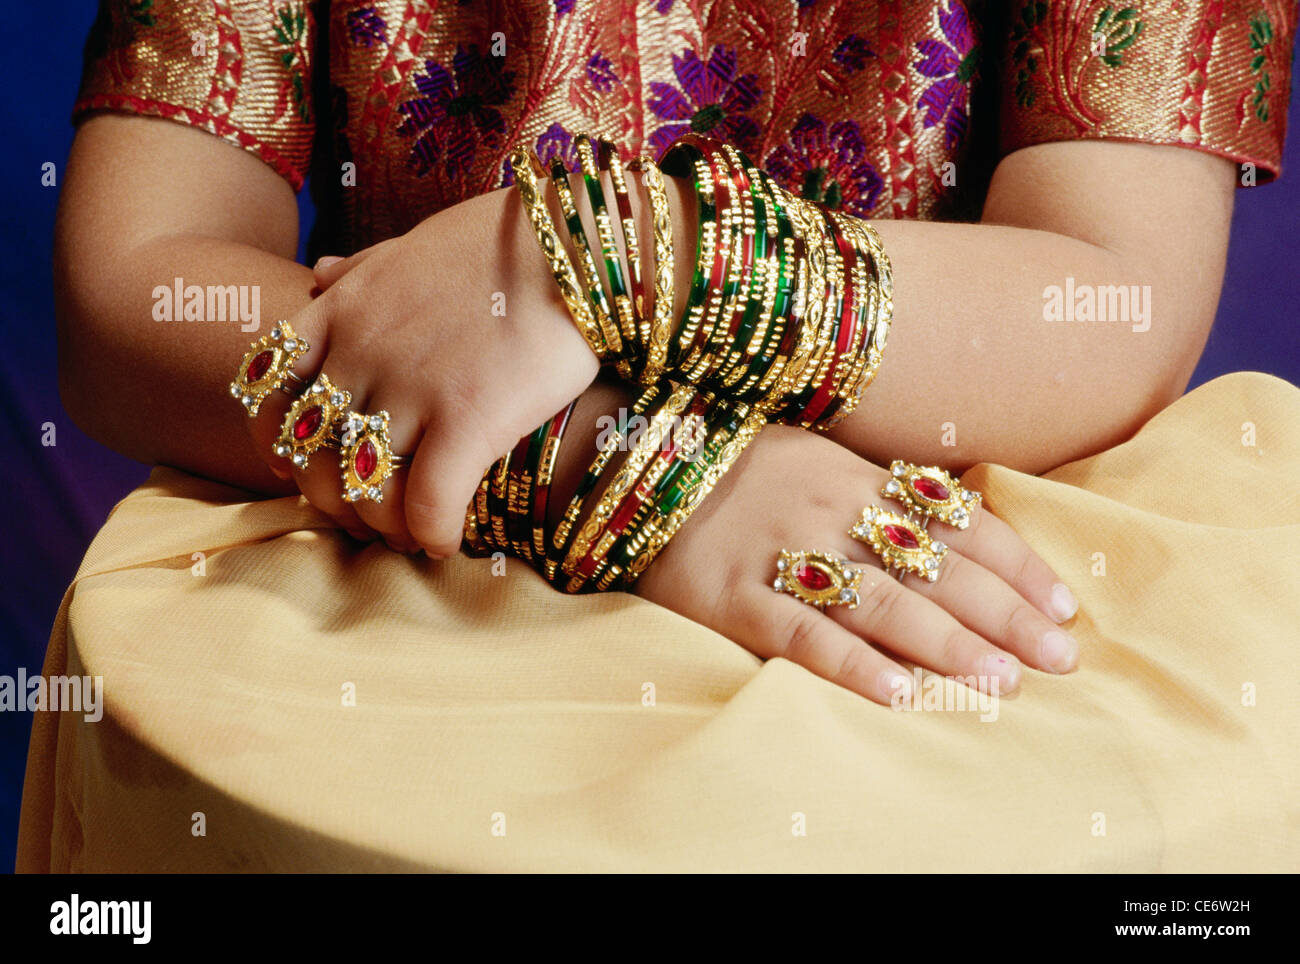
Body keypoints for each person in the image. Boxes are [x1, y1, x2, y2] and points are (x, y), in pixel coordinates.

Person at [20, 0, 1299, 872]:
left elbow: (1112, 297)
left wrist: (610, 253)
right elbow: (128, 293)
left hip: (932, 543)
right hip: (424, 547)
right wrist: (624, 460)